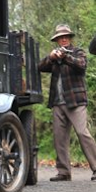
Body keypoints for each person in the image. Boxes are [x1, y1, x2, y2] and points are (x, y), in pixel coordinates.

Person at [38, 24, 96, 182]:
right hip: (58, 102)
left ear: (69, 38)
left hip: (76, 101)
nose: (63, 39)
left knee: (82, 133)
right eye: (60, 37)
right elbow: (40, 66)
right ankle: (64, 172)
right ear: (57, 40)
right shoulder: (54, 56)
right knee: (59, 138)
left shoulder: (78, 52)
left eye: (66, 36)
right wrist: (51, 57)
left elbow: (81, 65)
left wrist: (65, 57)